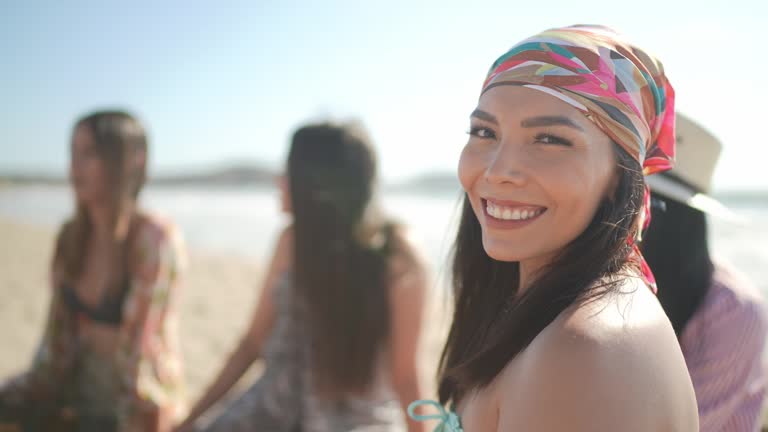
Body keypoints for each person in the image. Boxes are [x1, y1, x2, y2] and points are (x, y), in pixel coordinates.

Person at [408, 25, 699, 431]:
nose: (499, 171)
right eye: (485, 132)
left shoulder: (582, 349)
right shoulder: (561, 310)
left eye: (548, 139)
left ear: (619, 173)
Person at [176, 122, 428, 432]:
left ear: (315, 185)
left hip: (353, 423)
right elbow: (251, 344)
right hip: (271, 409)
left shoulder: (397, 256)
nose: (280, 181)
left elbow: (405, 376)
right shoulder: (291, 241)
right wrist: (189, 421)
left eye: (289, 171)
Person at [0, 110, 188, 431]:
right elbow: (55, 340)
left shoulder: (153, 239)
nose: (74, 167)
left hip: (133, 402)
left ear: (127, 162)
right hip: (70, 388)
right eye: (72, 154)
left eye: (89, 154)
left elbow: (138, 359)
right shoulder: (70, 236)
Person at [643, 113, 768, 431]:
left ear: (679, 222)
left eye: (647, 204)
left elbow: (682, 426)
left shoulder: (735, 310)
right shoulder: (626, 283)